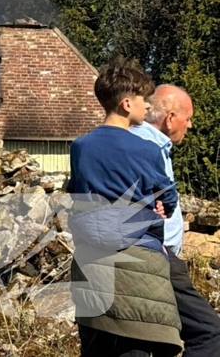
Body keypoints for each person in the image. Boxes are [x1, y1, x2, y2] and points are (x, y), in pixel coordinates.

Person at [67, 60, 183, 356]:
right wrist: (162, 210)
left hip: (92, 259)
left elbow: (77, 193)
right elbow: (167, 196)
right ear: (127, 103)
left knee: (96, 349)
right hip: (138, 262)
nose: (147, 107)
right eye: (144, 100)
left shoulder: (80, 147)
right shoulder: (147, 149)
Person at [132, 84, 220, 357]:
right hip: (154, 257)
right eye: (188, 117)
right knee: (209, 332)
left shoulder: (151, 145)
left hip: (147, 257)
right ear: (170, 118)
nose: (190, 125)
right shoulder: (146, 148)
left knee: (146, 339)